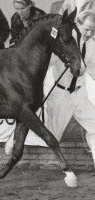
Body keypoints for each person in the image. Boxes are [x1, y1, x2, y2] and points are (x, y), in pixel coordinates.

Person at [45, 10, 95, 165]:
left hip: (80, 94)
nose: (89, 33)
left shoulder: (92, 45)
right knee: (49, 135)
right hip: (61, 95)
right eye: (87, 29)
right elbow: (45, 65)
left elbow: (93, 70)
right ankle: (14, 138)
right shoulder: (62, 42)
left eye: (93, 30)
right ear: (77, 25)